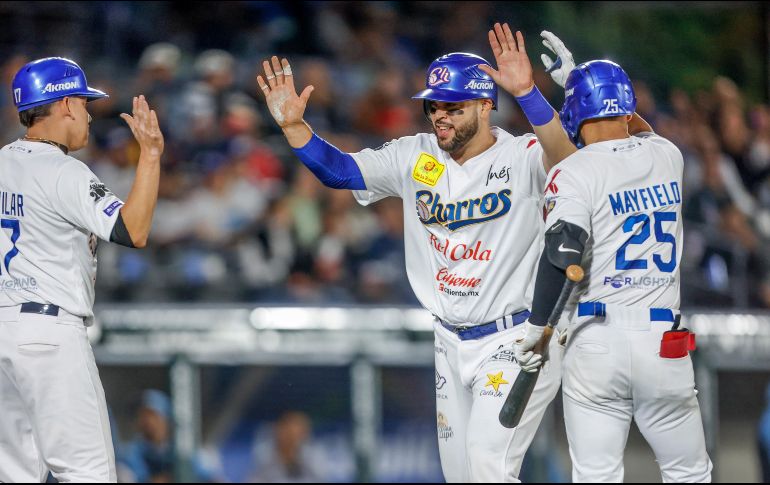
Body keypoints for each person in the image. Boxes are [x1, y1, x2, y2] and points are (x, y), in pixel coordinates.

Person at [256, 24, 576, 482]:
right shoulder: (416, 155)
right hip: (448, 341)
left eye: (452, 105)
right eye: (433, 104)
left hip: (515, 338)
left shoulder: (523, 155)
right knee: (462, 477)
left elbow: (566, 159)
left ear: (487, 106)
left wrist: (527, 92)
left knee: (489, 466)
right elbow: (342, 172)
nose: (439, 115)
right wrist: (295, 129)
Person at [514, 59, 713, 482]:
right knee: (690, 474)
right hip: (665, 342)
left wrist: (537, 329)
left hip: (596, 340)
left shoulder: (573, 169)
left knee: (596, 476)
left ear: (572, 115)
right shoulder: (667, 154)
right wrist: (579, 81)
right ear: (626, 107)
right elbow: (635, 125)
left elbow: (561, 252)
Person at [0, 57, 164, 482]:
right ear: (66, 104)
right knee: (89, 475)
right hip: (49, 336)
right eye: (85, 102)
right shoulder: (62, 171)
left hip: (3, 333)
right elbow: (134, 229)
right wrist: (150, 156)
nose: (89, 113)